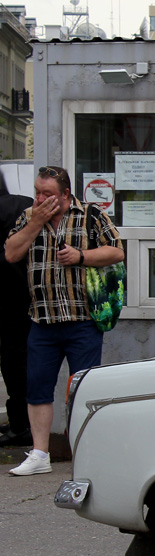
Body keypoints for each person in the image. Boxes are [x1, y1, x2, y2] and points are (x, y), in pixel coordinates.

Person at [4, 166, 123, 475]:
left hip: (82, 318)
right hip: (42, 319)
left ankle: (85, 453)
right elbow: (11, 253)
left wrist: (81, 256)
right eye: (37, 192)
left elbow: (116, 251)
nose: (41, 198)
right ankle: (40, 454)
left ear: (66, 194)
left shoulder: (91, 216)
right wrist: (37, 221)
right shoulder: (28, 217)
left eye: (48, 194)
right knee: (37, 389)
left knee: (82, 389)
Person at [0, 177, 33, 447]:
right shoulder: (24, 206)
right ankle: (23, 424)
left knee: (12, 364)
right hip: (30, 298)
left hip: (7, 299)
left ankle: (20, 425)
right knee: (24, 362)